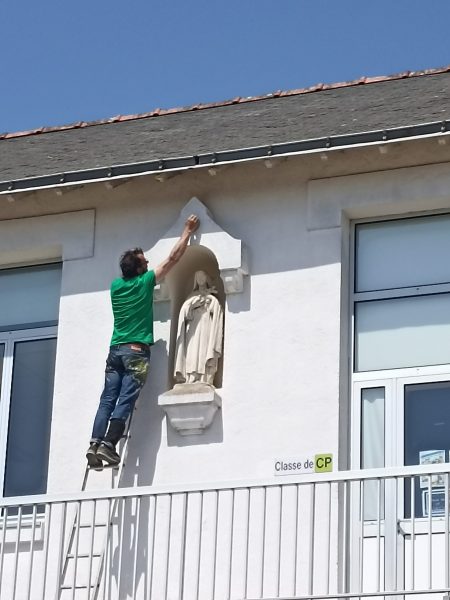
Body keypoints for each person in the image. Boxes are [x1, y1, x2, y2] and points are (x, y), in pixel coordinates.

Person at [86, 214, 200, 468]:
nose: (148, 263)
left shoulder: (116, 286)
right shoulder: (145, 282)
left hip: (115, 351)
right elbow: (172, 259)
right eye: (144, 261)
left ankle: (94, 443)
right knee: (126, 398)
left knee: (107, 399)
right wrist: (187, 231)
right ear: (138, 269)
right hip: (136, 351)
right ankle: (109, 445)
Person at [174, 270, 223, 385]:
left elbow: (217, 310)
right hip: (193, 328)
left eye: (202, 276)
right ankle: (191, 376)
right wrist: (193, 305)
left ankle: (204, 377)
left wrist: (210, 301)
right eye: (198, 277)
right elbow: (184, 312)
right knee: (192, 350)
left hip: (206, 325)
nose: (200, 279)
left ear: (207, 278)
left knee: (204, 349)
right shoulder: (192, 296)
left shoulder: (212, 295)